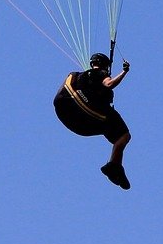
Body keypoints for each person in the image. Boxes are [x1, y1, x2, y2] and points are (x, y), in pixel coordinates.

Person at [53, 53, 132, 189]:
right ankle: (114, 166)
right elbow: (109, 84)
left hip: (66, 111)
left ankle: (115, 167)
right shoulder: (101, 73)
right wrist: (124, 71)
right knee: (124, 136)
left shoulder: (80, 76)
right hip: (87, 117)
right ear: (105, 66)